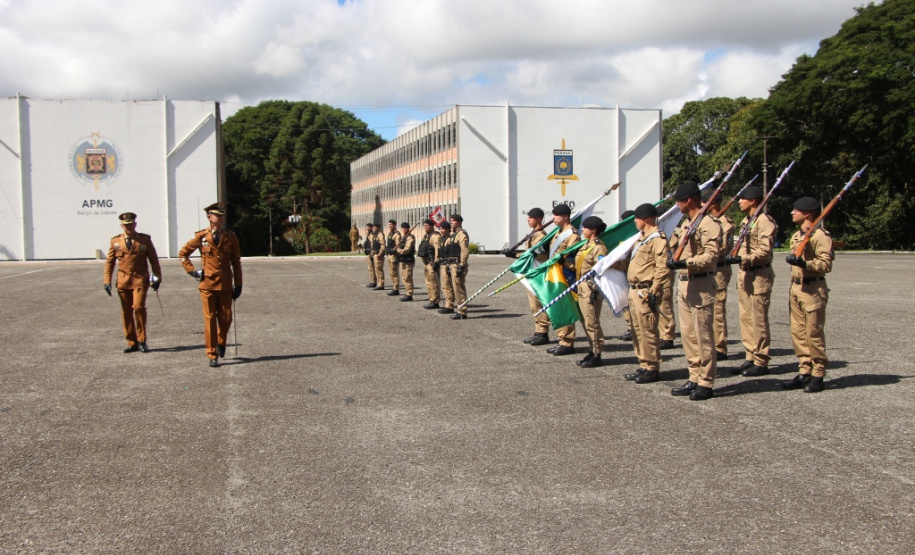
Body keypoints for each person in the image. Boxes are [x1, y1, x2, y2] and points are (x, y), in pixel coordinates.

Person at [666, 182, 722, 400]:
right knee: (689, 335)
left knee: (703, 336)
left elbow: (710, 256)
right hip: (685, 283)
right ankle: (694, 376)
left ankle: (706, 382)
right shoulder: (688, 223)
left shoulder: (708, 223)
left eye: (679, 200)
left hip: (700, 283)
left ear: (688, 200)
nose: (677, 205)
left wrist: (684, 263)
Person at [179, 202, 243, 368]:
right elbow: (183, 254)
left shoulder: (230, 236)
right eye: (217, 215)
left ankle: (221, 341)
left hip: (226, 285)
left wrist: (239, 284)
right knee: (209, 321)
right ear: (209, 217)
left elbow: (236, 262)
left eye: (222, 215)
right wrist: (192, 271)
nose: (221, 218)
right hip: (207, 285)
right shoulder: (201, 237)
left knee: (226, 318)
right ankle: (212, 353)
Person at [724, 185, 777, 377]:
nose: (739, 201)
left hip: (759, 275)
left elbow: (764, 250)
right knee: (745, 318)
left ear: (753, 200)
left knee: (758, 319)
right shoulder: (747, 220)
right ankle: (750, 356)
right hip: (745, 274)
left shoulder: (764, 221)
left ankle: (761, 360)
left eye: (742, 198)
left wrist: (742, 258)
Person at [781, 196, 833, 393]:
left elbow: (826, 264)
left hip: (813, 289)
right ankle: (805, 370)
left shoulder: (821, 236)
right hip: (796, 288)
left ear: (807, 213)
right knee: (798, 333)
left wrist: (806, 264)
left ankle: (818, 374)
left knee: (813, 334)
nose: (792, 213)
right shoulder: (797, 235)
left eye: (796, 210)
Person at [620, 203, 670, 383]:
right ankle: (643, 364)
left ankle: (652, 367)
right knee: (637, 330)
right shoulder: (641, 238)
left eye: (637, 218)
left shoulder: (657, 238)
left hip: (645, 290)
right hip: (634, 290)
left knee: (648, 330)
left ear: (647, 219)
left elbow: (662, 267)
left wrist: (653, 291)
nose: (634, 221)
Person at [103, 212, 162, 353]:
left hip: (140, 280)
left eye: (131, 224)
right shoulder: (115, 241)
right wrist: (107, 280)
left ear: (135, 224)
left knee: (139, 307)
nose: (129, 227)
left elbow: (153, 259)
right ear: (122, 226)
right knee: (126, 312)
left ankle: (142, 340)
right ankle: (131, 342)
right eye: (126, 225)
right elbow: (110, 262)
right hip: (123, 282)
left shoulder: (144, 240)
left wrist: (157, 277)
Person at [503, 208, 552, 345]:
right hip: (531, 273)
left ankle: (543, 333)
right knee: (533, 304)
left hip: (538, 272)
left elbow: (538, 255)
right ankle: (538, 331)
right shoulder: (533, 234)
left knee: (539, 303)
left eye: (530, 217)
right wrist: (514, 255)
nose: (527, 219)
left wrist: (517, 256)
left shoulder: (542, 236)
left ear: (538, 218)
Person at [545, 204, 581, 356]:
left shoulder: (572, 235)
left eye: (556, 215)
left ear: (565, 216)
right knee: (558, 308)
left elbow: (574, 259)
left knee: (565, 307)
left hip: (565, 275)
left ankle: (567, 342)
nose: (554, 218)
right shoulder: (558, 233)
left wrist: (563, 263)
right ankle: (561, 339)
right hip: (555, 275)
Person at [574, 216, 609, 367]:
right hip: (581, 286)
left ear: (593, 230)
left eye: (585, 227)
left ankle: (596, 353)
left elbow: (602, 269)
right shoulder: (586, 245)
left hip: (590, 288)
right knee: (585, 321)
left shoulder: (598, 248)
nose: (582, 230)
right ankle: (591, 350)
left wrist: (596, 288)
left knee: (591, 321)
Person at [707, 192, 735, 360]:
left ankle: (720, 347)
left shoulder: (725, 224)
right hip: (709, 269)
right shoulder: (708, 222)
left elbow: (722, 248)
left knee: (717, 309)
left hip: (719, 269)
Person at [440, 214, 470, 320]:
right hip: (451, 264)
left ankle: (462, 311)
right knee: (452, 287)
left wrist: (461, 265)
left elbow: (464, 251)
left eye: (454, 221)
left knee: (459, 288)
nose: (451, 222)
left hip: (458, 264)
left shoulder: (462, 234)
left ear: (459, 222)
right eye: (451, 221)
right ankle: (455, 307)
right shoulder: (453, 235)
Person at [616, 209, 635, 343]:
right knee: (626, 303)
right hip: (624, 272)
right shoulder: (625, 236)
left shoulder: (636, 237)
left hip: (633, 273)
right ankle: (630, 327)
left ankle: (634, 327)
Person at [418, 219, 442, 309]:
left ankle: (435, 301)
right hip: (426, 263)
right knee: (428, 282)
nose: (426, 227)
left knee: (434, 282)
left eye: (427, 225)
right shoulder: (425, 236)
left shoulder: (435, 236)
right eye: (424, 225)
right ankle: (431, 299)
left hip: (432, 263)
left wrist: (436, 261)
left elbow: (437, 250)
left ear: (432, 226)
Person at [436, 221, 455, 314]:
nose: (441, 230)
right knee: (444, 285)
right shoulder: (442, 239)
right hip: (442, 264)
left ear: (448, 229)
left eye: (443, 229)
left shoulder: (449, 239)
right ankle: (447, 304)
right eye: (440, 228)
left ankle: (450, 305)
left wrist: (448, 265)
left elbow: (450, 253)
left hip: (447, 265)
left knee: (447, 285)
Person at [396, 222, 416, 301]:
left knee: (408, 277)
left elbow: (407, 249)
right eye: (403, 227)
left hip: (408, 260)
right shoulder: (403, 237)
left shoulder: (410, 237)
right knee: (404, 278)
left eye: (405, 227)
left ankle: (409, 294)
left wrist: (398, 250)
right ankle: (407, 292)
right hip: (403, 260)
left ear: (408, 228)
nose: (404, 229)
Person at [384, 219, 402, 296]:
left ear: (395, 225)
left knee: (394, 272)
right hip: (389, 255)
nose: (389, 226)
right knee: (391, 272)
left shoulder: (396, 234)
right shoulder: (390, 233)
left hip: (393, 255)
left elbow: (398, 245)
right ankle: (394, 287)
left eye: (391, 224)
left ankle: (396, 288)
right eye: (389, 224)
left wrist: (394, 251)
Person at [371, 223, 386, 290]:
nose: (374, 228)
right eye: (373, 227)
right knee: (376, 269)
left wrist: (380, 253)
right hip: (375, 254)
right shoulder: (374, 235)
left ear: (379, 228)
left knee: (379, 269)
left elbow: (383, 245)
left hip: (378, 255)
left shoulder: (380, 235)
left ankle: (381, 284)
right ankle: (378, 283)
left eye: (376, 227)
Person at [362, 222, 376, 288]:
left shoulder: (371, 235)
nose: (367, 228)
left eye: (368, 227)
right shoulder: (368, 234)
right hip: (367, 253)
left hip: (370, 253)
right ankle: (372, 281)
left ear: (371, 227)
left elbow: (372, 244)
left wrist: (370, 252)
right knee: (370, 268)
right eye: (367, 227)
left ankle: (373, 282)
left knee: (371, 268)